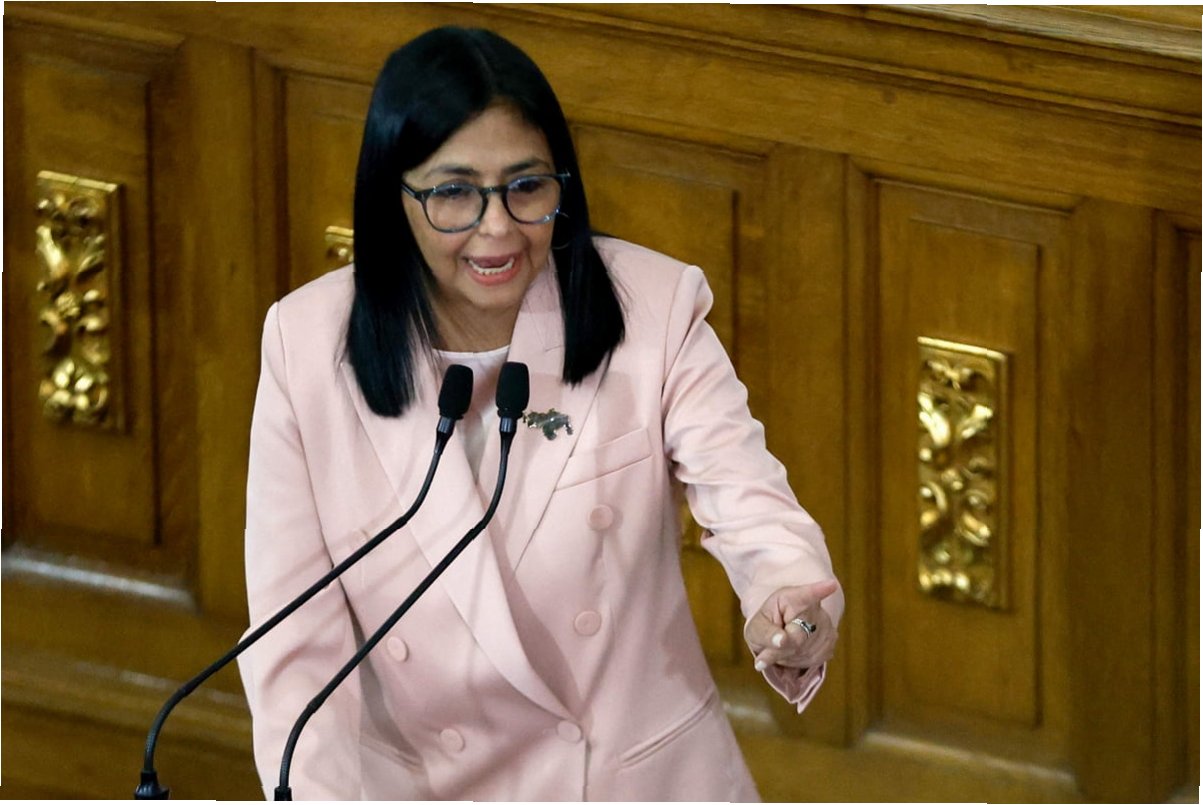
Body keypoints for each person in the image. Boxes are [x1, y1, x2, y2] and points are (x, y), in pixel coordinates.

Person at [238, 25, 843, 802]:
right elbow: (294, 649)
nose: (496, 227)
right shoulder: (305, 344)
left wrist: (792, 605)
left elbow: (756, 513)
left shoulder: (652, 307)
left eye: (525, 186)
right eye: (454, 193)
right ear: (395, 196)